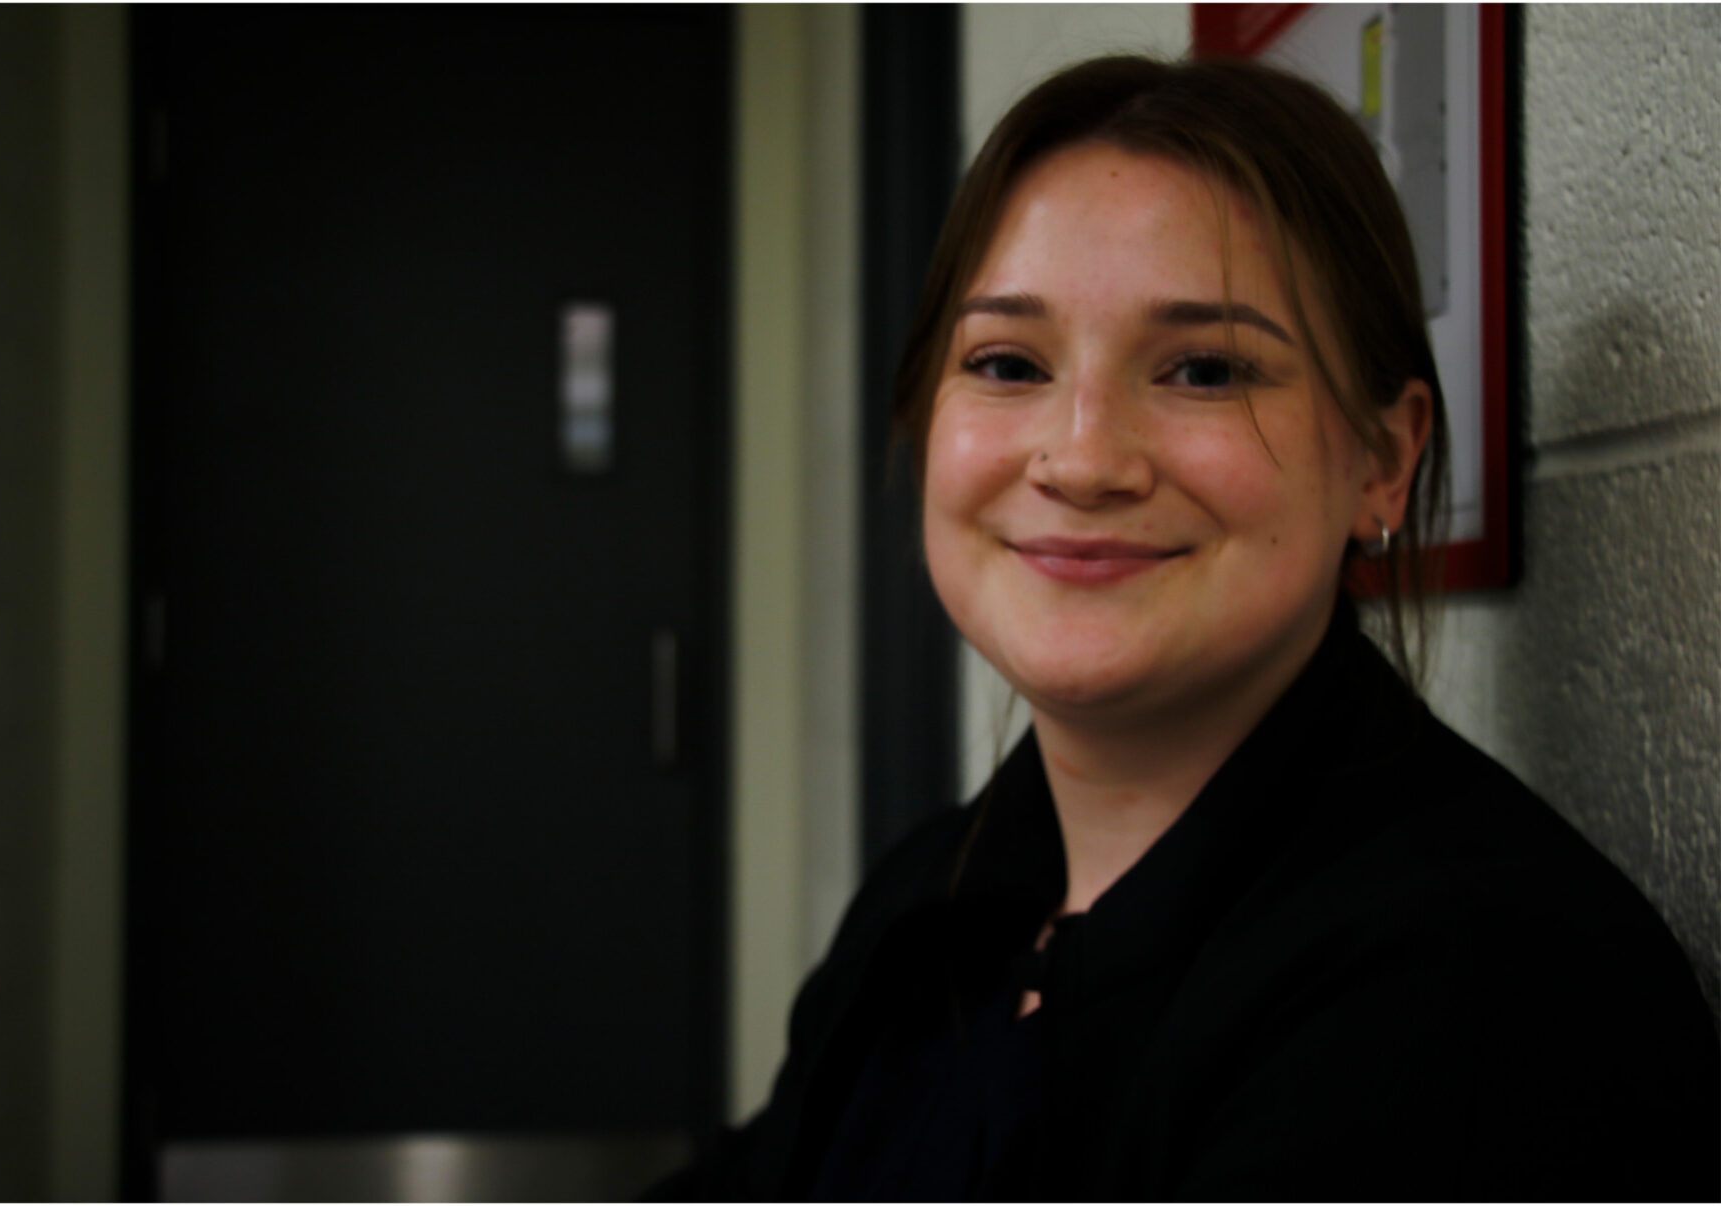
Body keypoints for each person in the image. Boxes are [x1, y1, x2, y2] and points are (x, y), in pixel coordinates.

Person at [654, 54, 1720, 1200]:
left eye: (1205, 370)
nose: (1081, 458)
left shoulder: (1484, 996)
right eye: (1008, 362)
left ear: (1385, 459)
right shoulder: (935, 897)